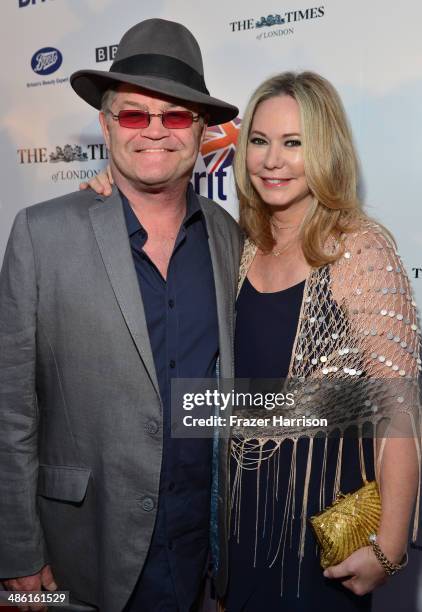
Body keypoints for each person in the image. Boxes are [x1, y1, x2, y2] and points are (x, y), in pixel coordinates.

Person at [86, 71, 421, 612]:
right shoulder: (241, 244)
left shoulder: (357, 250)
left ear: (326, 150)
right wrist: (111, 191)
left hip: (318, 535)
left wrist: (390, 544)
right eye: (260, 141)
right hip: (237, 527)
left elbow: (398, 407)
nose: (272, 160)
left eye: (295, 143)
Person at [0, 18, 242, 612]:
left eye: (175, 116)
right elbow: (10, 412)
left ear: (202, 131)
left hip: (202, 555)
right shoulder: (42, 234)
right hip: (82, 554)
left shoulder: (230, 237)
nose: (154, 132)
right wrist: (17, 552)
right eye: (134, 115)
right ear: (107, 126)